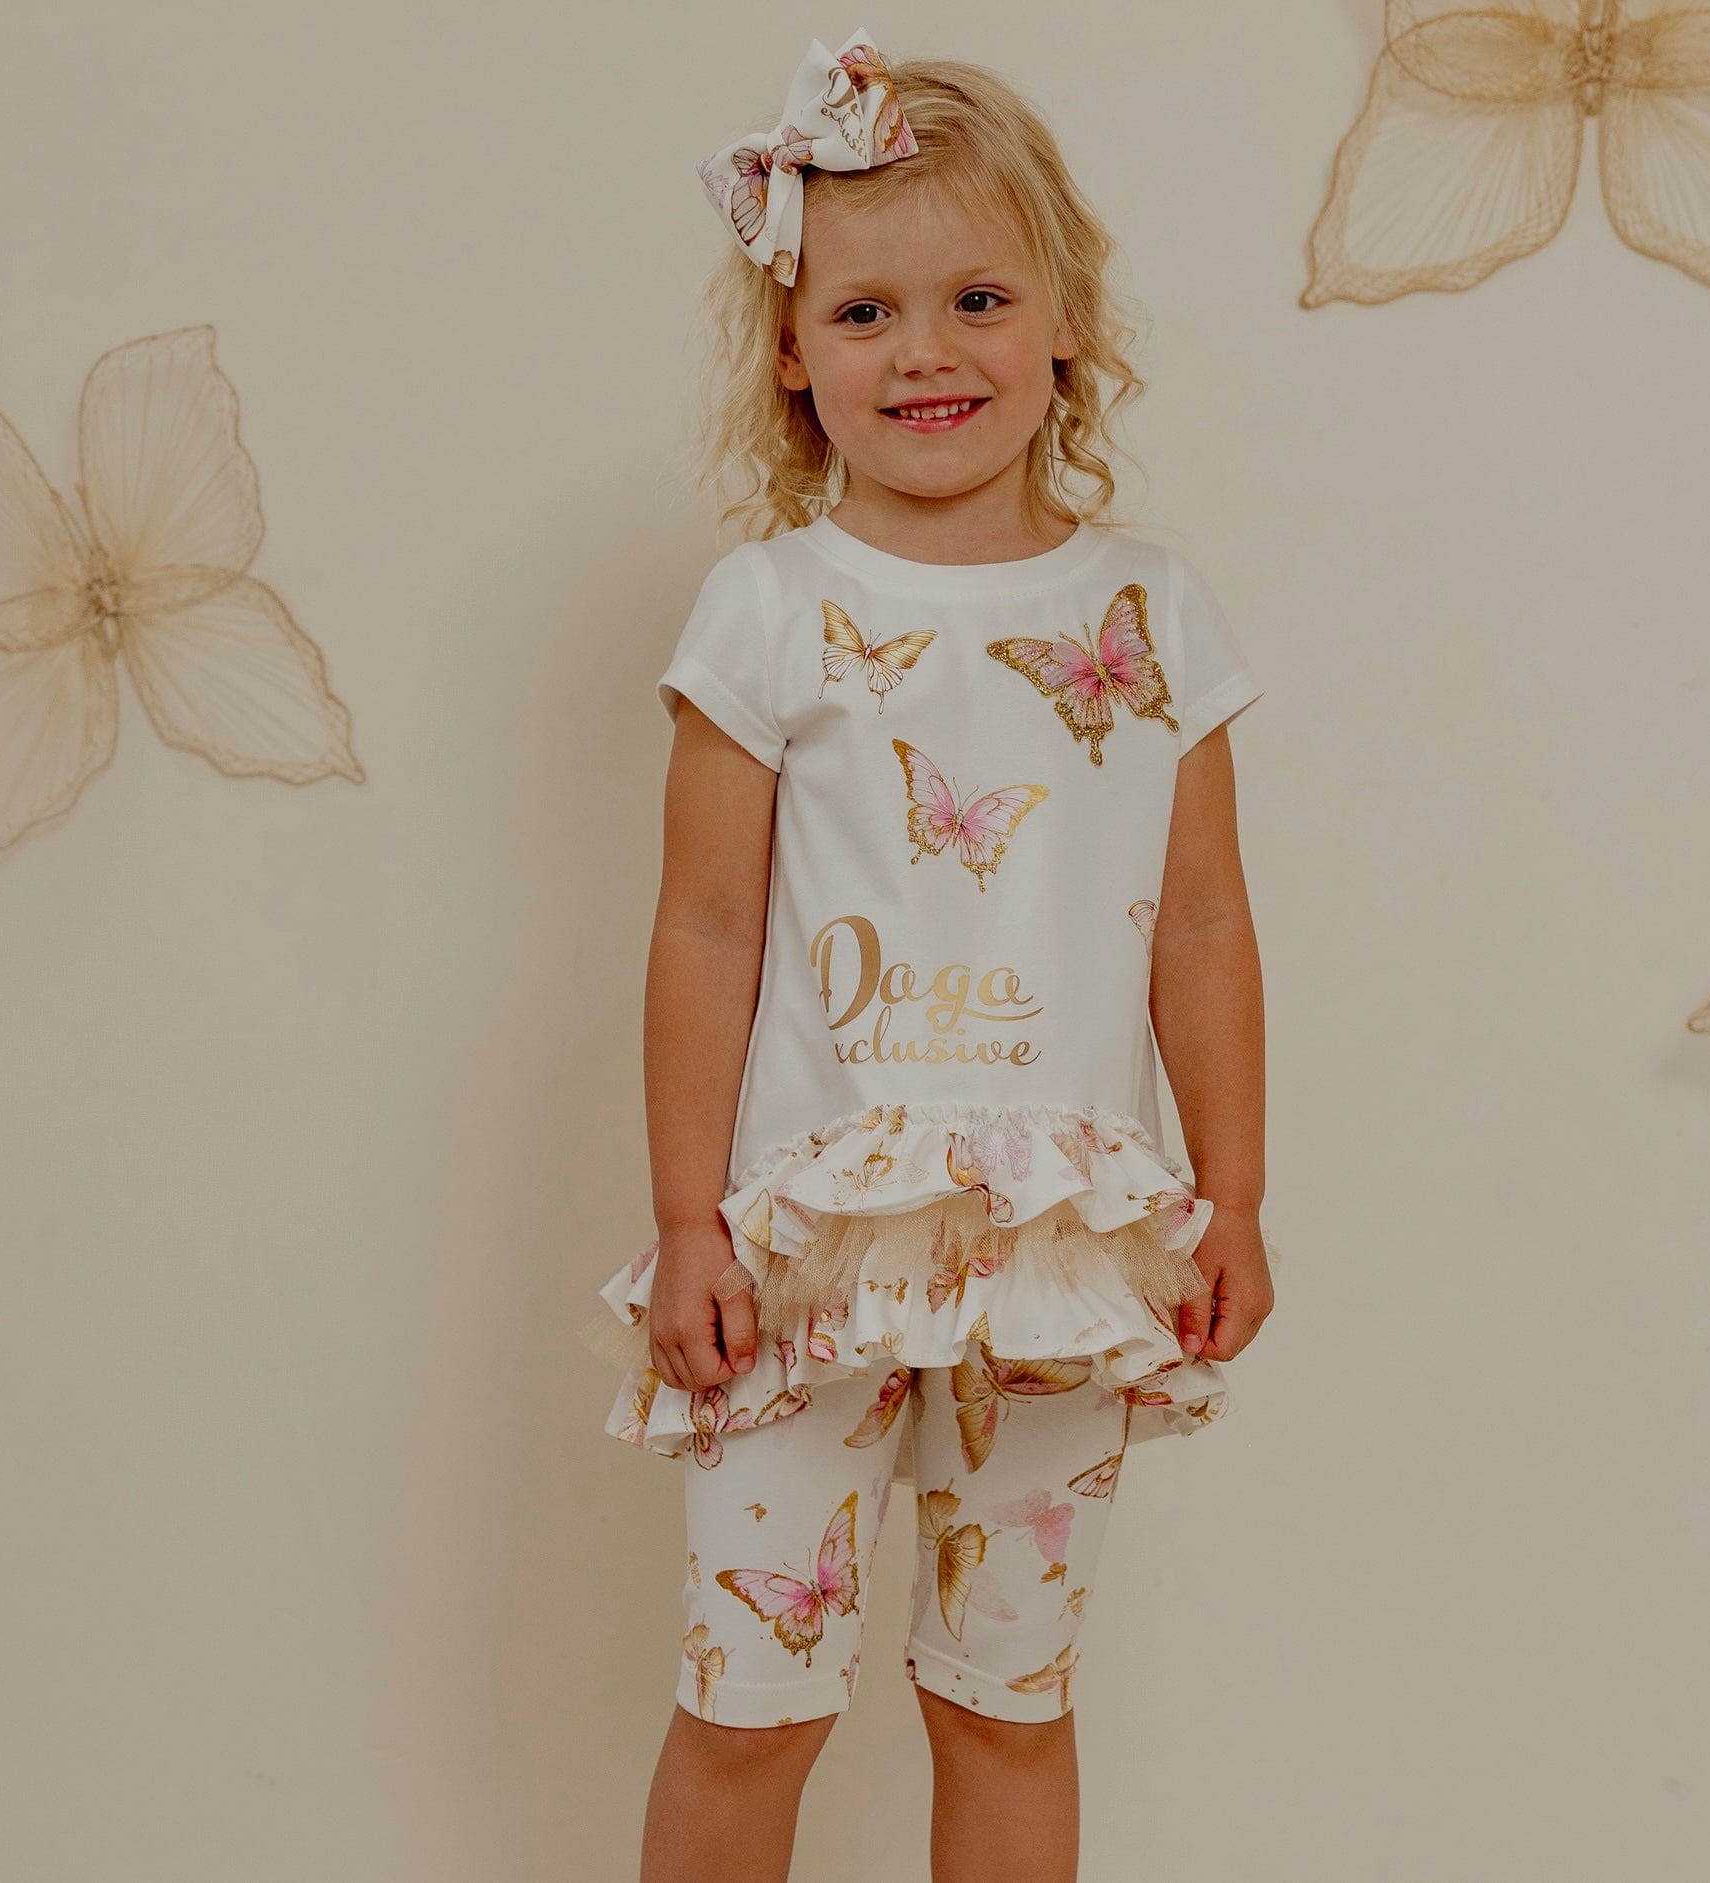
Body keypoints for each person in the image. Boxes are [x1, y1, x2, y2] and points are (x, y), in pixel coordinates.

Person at [577, 28, 1279, 1883]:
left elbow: (1204, 920)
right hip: (797, 1250)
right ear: (792, 349)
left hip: (1063, 1255)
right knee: (753, 1703)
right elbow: (705, 926)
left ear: (1067, 322)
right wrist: (685, 1220)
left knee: (1007, 1701)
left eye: (978, 299)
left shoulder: (1148, 609)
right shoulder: (768, 607)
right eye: (864, 311)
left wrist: (1236, 1196)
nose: (924, 353)